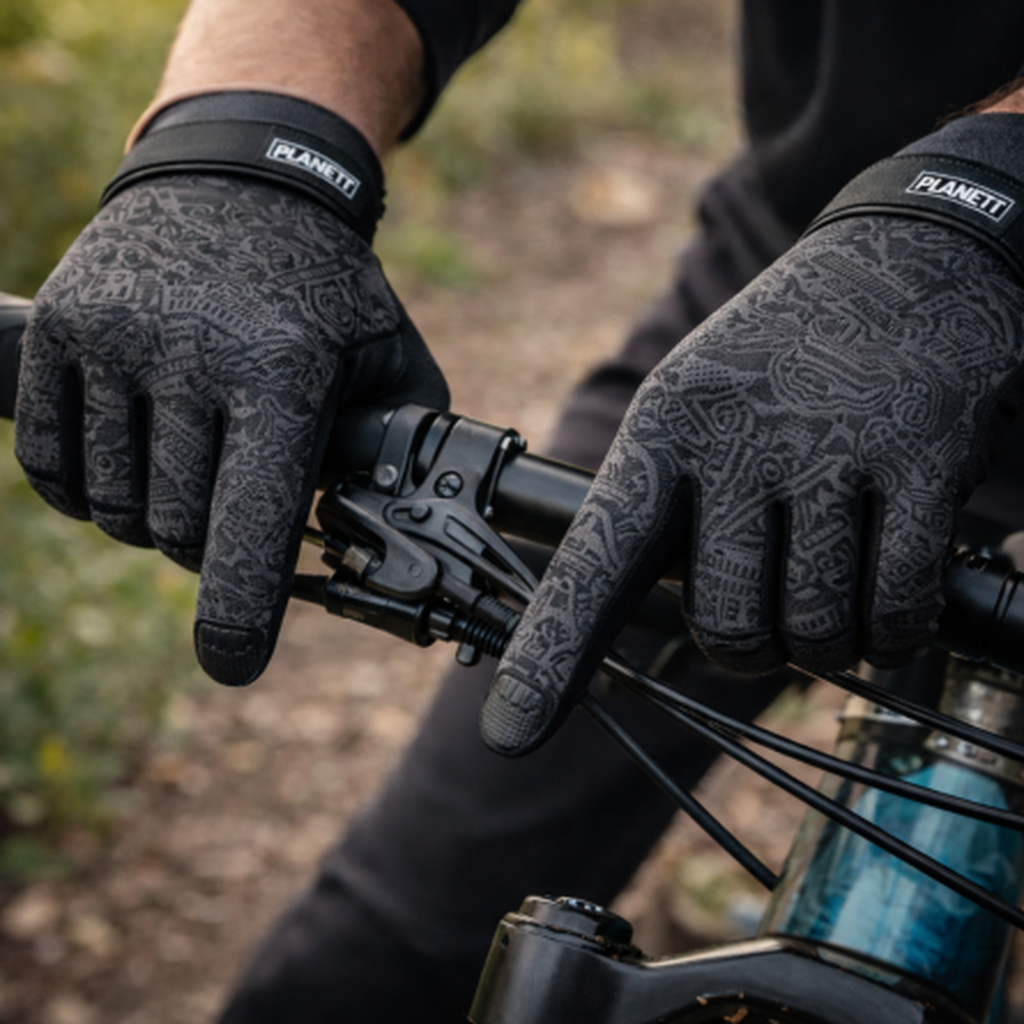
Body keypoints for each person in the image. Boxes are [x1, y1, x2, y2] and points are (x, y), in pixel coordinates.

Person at [12, 0, 1024, 1020]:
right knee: (412, 919)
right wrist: (246, 142)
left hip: (930, 262)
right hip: (807, 335)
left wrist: (993, 195)